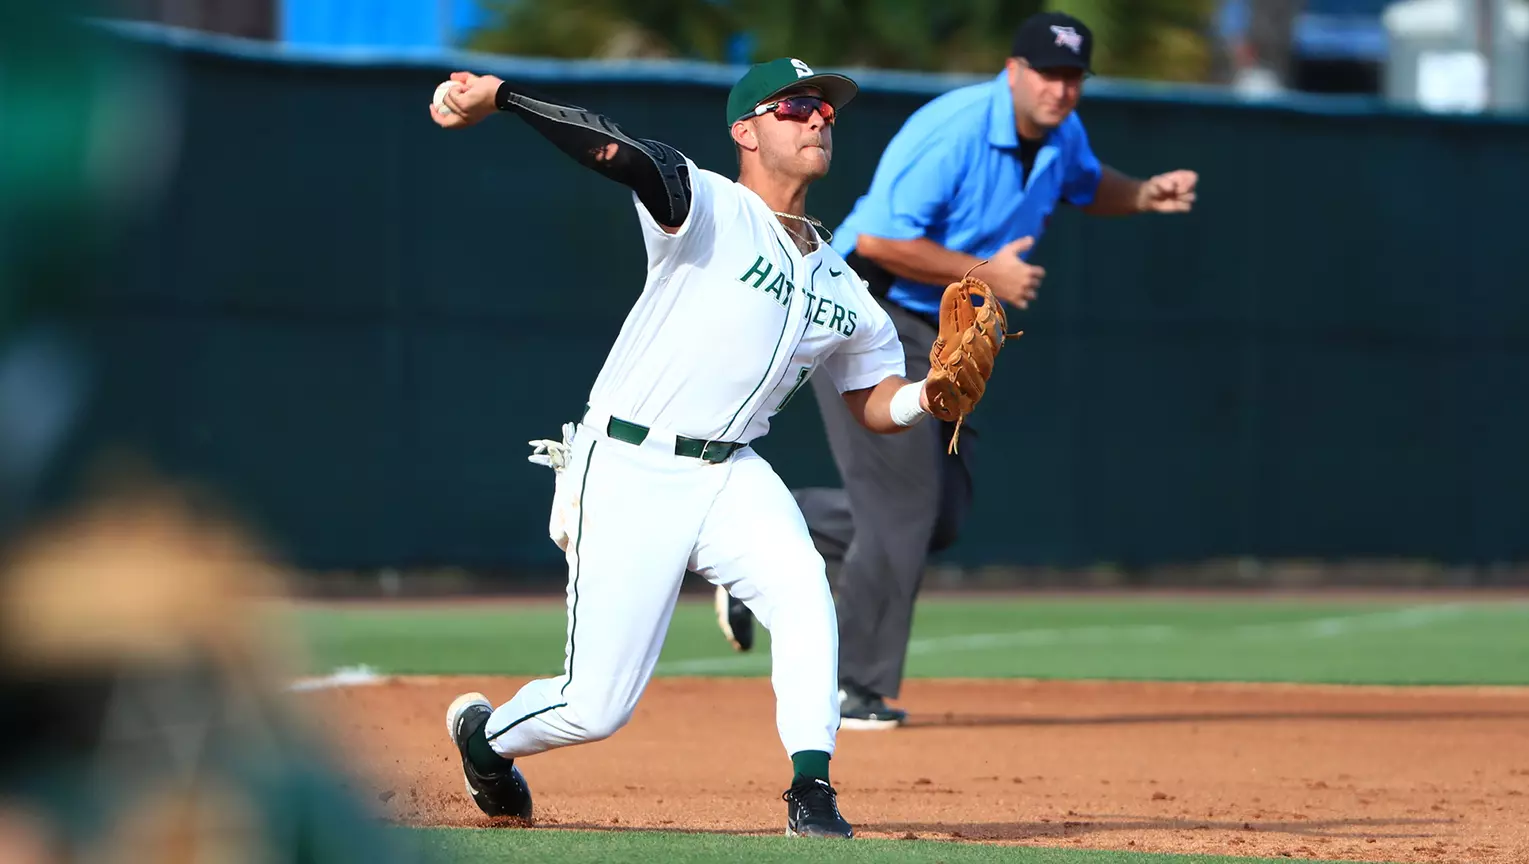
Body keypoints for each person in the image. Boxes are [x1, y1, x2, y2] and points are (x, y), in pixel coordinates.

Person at [427, 56, 1003, 838]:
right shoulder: (705, 206)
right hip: (630, 461)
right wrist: (506, 98)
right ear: (746, 130)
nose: (818, 118)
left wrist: (928, 399)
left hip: (733, 470)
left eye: (825, 109)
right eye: (796, 105)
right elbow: (617, 150)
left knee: (806, 598)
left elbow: (870, 402)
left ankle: (812, 790)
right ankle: (485, 742)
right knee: (596, 706)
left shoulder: (841, 283)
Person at [715, 12, 1200, 730]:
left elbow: (1088, 183)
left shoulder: (1062, 135)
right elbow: (877, 239)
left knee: (936, 515)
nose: (1060, 89)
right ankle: (850, 687)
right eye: (1047, 73)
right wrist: (987, 272)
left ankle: (741, 538)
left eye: (1072, 77)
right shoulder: (956, 132)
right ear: (1014, 71)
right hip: (871, 313)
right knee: (905, 509)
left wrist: (1143, 194)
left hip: (946, 329)